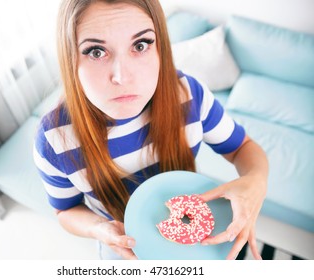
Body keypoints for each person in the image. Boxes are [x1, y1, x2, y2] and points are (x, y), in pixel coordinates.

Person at [33, 0, 268, 260]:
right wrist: (99, 228)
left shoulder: (188, 94)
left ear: (161, 48)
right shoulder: (55, 139)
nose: (122, 77)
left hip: (191, 237)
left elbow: (242, 148)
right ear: (70, 58)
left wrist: (255, 181)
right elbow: (65, 211)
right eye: (96, 52)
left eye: (140, 45)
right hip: (121, 251)